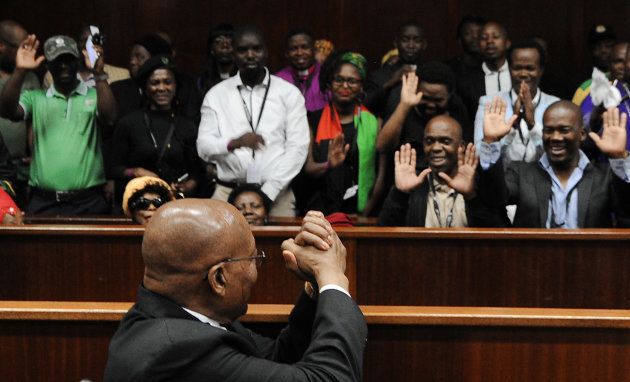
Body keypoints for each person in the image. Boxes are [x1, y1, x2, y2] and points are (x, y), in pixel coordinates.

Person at [103, 200, 367, 381]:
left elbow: (276, 360)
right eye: (253, 259)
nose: (256, 270)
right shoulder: (179, 349)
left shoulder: (182, 315)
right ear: (218, 277)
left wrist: (315, 287)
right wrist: (333, 279)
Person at [197, 25, 309, 217]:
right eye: (242, 50)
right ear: (233, 53)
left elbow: (297, 148)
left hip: (277, 195)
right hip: (227, 193)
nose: (250, 55)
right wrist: (234, 143)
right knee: (220, 247)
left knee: (282, 248)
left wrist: (267, 193)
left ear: (266, 51)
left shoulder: (288, 93)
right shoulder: (216, 95)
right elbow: (203, 147)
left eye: (256, 49)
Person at [0, 34, 116, 215]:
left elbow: (110, 118)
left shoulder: (94, 95)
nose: (63, 65)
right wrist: (20, 71)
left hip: (88, 201)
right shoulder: (35, 97)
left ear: (77, 61)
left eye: (68, 59)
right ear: (47, 65)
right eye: (57, 60)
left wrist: (98, 74)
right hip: (43, 201)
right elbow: (7, 111)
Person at [478, 98, 630, 228]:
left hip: (588, 261)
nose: (555, 137)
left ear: (582, 134)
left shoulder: (604, 177)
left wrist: (618, 158)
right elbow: (493, 197)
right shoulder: (521, 172)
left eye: (564, 130)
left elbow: (626, 210)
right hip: (534, 261)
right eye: (548, 130)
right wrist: (491, 142)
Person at [108, 55, 202, 203]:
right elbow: (112, 168)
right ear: (145, 87)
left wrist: (187, 186)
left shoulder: (187, 126)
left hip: (174, 201)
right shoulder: (129, 123)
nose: (162, 88)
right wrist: (136, 172)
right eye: (155, 83)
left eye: (167, 82)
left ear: (175, 86)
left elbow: (197, 171)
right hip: (138, 202)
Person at [301, 51, 385, 216]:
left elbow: (381, 176)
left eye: (352, 81)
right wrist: (329, 165)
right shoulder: (313, 119)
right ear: (329, 83)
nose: (345, 86)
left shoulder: (375, 122)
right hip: (320, 212)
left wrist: (365, 214)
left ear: (362, 86)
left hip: (361, 213)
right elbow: (308, 168)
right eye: (339, 80)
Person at [378, 116, 492, 227]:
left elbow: (497, 237)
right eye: (429, 141)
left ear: (461, 146)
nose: (436, 148)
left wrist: (471, 197)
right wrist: (400, 194)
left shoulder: (475, 184)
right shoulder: (414, 185)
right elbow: (382, 236)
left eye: (445, 141)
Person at [473, 39, 560, 166]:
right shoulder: (489, 103)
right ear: (509, 68)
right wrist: (510, 129)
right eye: (517, 68)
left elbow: (559, 155)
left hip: (543, 182)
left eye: (530, 68)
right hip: (501, 183)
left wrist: (532, 125)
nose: (523, 74)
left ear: (541, 70)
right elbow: (482, 160)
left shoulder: (555, 106)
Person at [378, 62, 471, 154]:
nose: (431, 105)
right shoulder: (403, 105)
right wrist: (404, 106)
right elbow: (382, 146)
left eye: (438, 100)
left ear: (449, 96)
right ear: (416, 90)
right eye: (425, 98)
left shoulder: (457, 110)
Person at [0, 20, 40, 207]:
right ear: (1, 46)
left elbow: (32, 120)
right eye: (23, 47)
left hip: (22, 171)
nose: (27, 52)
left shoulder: (30, 77)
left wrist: (34, 152)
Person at [364, 20, 426, 117]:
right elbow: (364, 105)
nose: (411, 45)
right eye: (405, 40)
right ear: (396, 43)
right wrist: (390, 83)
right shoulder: (379, 75)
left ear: (424, 44)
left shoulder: (431, 73)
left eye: (417, 40)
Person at [42, 24, 130, 88]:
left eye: (93, 40)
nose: (87, 45)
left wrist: (99, 73)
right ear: (76, 45)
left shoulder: (122, 75)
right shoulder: (54, 75)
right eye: (83, 41)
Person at [457, 21, 511, 123]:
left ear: (507, 43)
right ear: (478, 45)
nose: (489, 41)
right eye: (483, 38)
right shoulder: (466, 79)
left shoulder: (518, 74)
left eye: (495, 37)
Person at [110, 34, 173, 120]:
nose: (132, 62)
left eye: (139, 57)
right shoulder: (117, 89)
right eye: (131, 57)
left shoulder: (171, 90)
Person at [276, 28, 327, 112]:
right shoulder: (278, 80)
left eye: (305, 47)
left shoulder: (327, 76)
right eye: (294, 48)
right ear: (287, 54)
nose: (299, 53)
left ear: (314, 50)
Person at [196, 23, 237, 96]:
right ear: (211, 49)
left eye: (231, 42)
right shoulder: (202, 82)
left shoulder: (244, 78)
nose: (225, 46)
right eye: (218, 42)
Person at [446, 16, 485, 80]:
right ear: (459, 40)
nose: (475, 36)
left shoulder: (493, 68)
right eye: (468, 33)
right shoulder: (449, 69)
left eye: (480, 33)